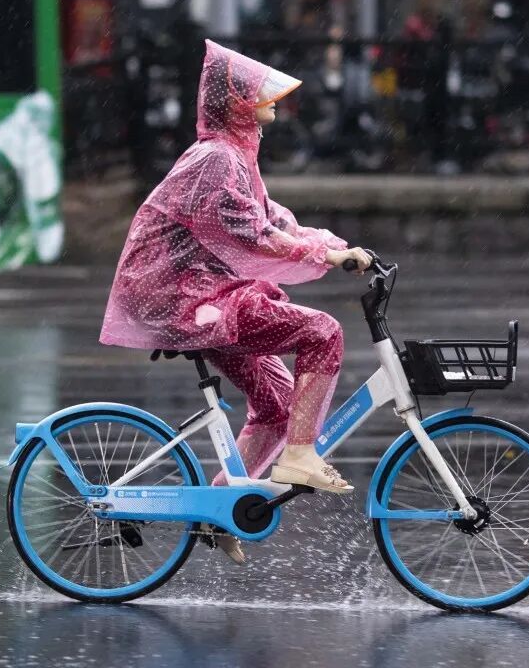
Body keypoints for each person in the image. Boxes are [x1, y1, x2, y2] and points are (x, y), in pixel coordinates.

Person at [100, 40, 372, 563]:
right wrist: (325, 255)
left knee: (275, 403)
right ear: (237, 103)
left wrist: (335, 247)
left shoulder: (235, 155)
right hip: (183, 297)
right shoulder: (215, 159)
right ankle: (298, 454)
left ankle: (217, 510)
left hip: (206, 294)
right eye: (259, 92)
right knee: (323, 332)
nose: (272, 100)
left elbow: (274, 220)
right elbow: (249, 233)